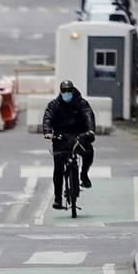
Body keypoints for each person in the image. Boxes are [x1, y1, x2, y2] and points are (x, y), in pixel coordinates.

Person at [43, 79, 96, 209]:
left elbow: (88, 115)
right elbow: (48, 117)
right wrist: (48, 131)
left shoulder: (81, 103)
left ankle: (83, 174)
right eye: (64, 91)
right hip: (60, 137)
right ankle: (57, 198)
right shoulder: (54, 105)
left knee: (88, 152)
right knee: (58, 168)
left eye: (68, 91)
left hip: (79, 136)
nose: (66, 94)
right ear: (60, 92)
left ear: (73, 91)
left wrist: (90, 130)